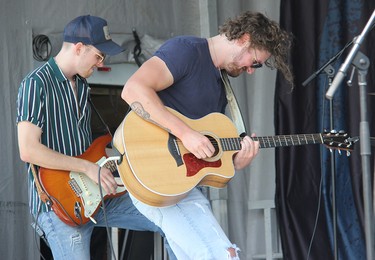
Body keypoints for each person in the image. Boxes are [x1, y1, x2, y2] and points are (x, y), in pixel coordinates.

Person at [120, 11, 293, 259]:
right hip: (154, 175)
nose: (252, 71)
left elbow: (206, 151)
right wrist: (185, 133)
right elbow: (133, 89)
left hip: (184, 185)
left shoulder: (220, 84)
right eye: (255, 62)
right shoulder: (187, 50)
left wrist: (236, 162)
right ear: (244, 39)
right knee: (225, 255)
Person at [16, 15, 175, 260]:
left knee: (172, 219)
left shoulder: (81, 85)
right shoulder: (36, 84)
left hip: (96, 196)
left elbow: (87, 148)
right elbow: (28, 150)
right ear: (79, 48)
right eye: (99, 56)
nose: (100, 64)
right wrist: (88, 168)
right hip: (59, 204)